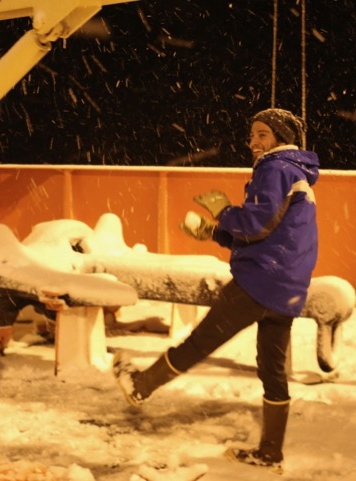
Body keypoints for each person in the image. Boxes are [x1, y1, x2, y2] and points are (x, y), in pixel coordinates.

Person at [112, 108, 319, 473]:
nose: (253, 142)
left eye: (261, 134)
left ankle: (141, 385)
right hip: (287, 288)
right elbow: (271, 233)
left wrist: (223, 211)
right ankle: (270, 453)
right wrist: (215, 233)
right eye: (252, 135)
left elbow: (257, 223)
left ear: (281, 137)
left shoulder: (276, 168)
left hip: (260, 282)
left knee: (200, 341)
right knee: (272, 369)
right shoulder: (298, 173)